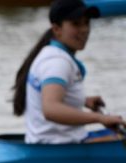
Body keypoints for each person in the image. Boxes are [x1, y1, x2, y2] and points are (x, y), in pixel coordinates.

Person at [12, 0, 124, 144]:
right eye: (76, 24)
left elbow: (49, 96)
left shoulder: (50, 53)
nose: (84, 29)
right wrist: (100, 118)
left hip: (47, 143)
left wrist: (81, 100)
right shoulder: (57, 62)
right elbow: (51, 109)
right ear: (57, 29)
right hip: (58, 148)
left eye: (86, 23)